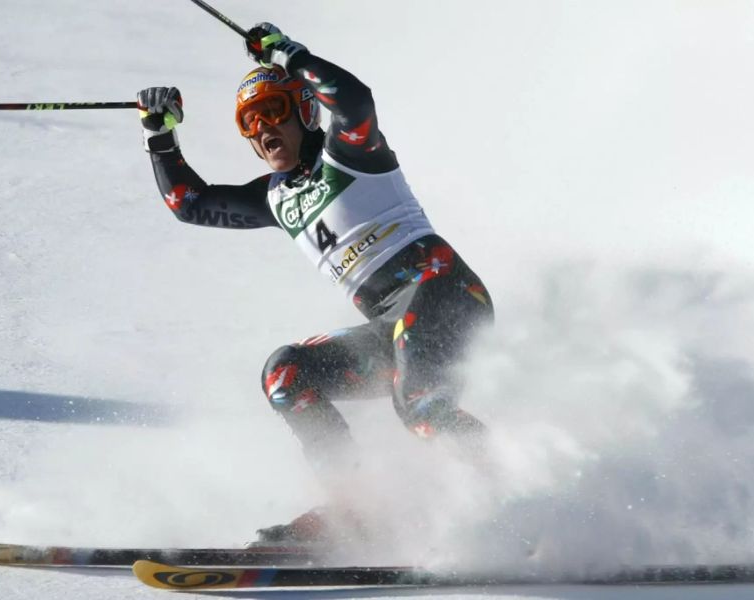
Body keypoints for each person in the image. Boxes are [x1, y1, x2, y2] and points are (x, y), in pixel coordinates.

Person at [137, 23, 494, 543]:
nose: (262, 130)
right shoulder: (275, 197)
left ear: (305, 111)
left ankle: (517, 495)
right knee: (286, 374)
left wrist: (289, 53)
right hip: (392, 324)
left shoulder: (348, 153)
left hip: (444, 292)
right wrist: (159, 133)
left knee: (418, 405)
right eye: (249, 123)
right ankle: (354, 508)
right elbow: (189, 205)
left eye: (274, 112)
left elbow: (354, 100)